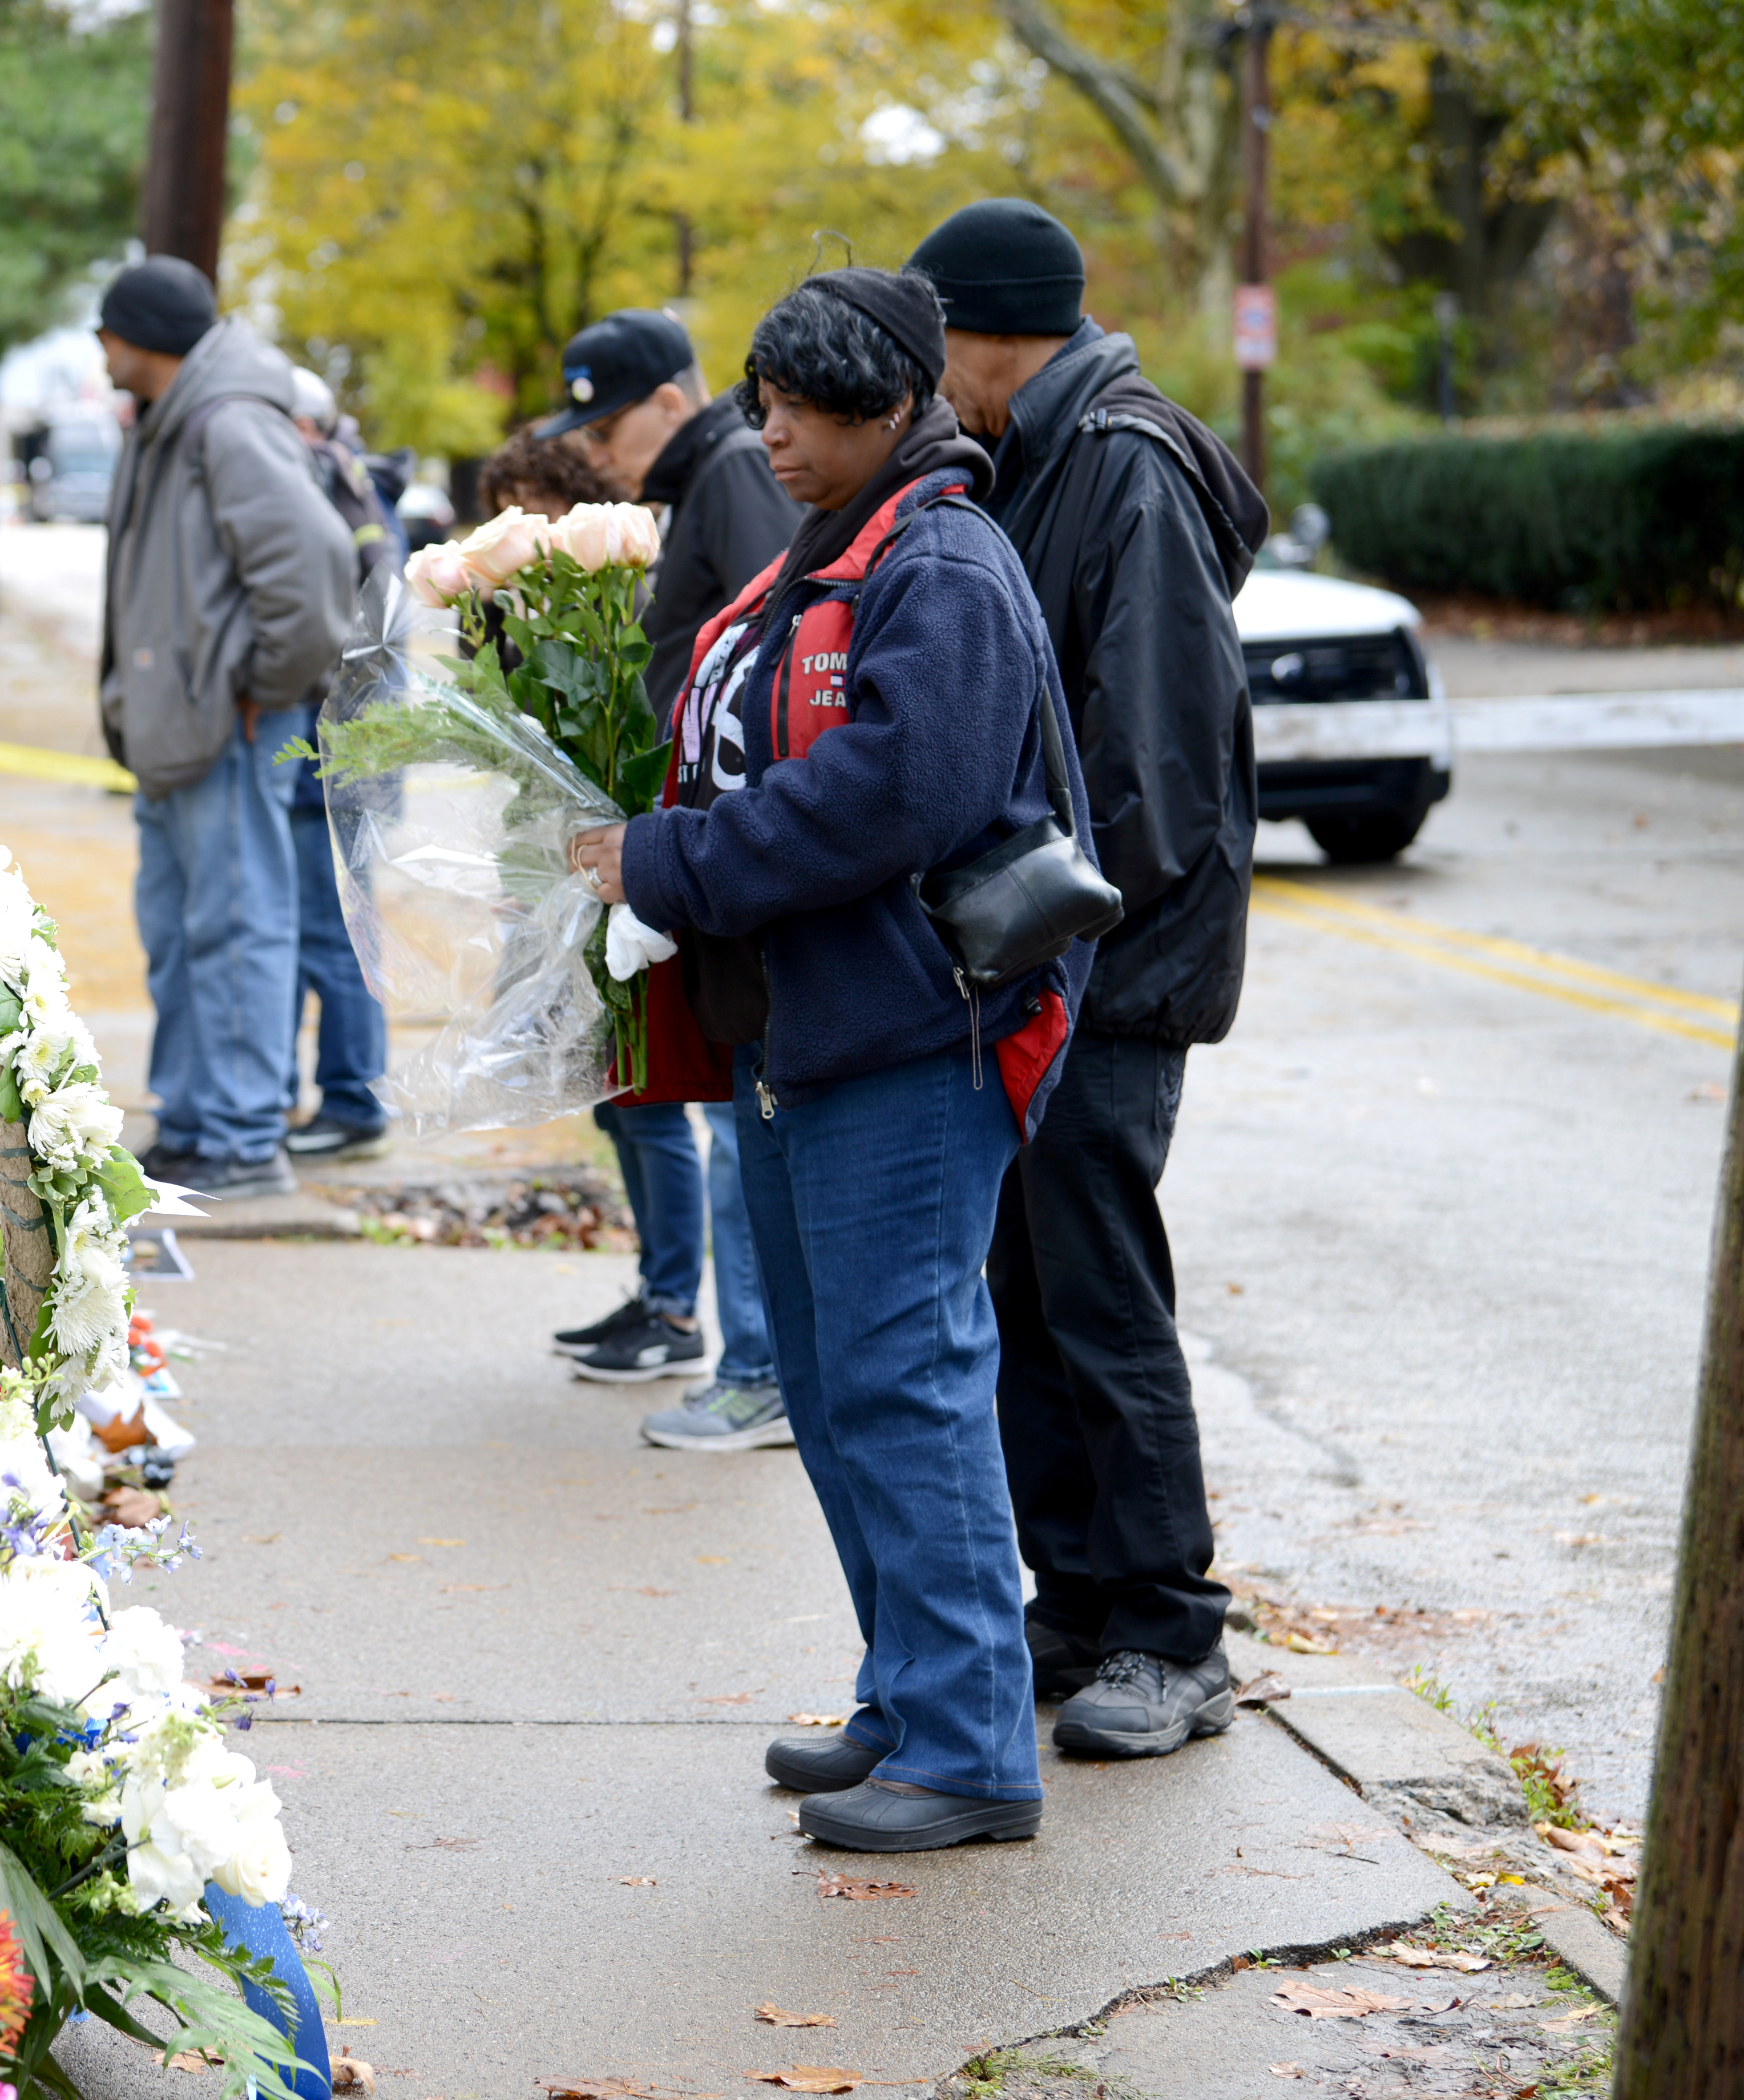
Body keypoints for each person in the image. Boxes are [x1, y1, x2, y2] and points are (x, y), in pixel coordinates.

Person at [567, 267, 1089, 1852]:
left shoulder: (945, 560)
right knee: (836, 1382)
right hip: (803, 1032)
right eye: (760, 404)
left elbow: (895, 795)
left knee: (905, 1380)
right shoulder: (832, 549)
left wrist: (676, 864)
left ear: (882, 407)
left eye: (796, 411)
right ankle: (913, 1691)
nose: (768, 436)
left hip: (909, 1036)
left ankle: (973, 1745)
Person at [906, 199, 1267, 1760]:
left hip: (1110, 966)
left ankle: (1172, 1635)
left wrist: (1065, 939)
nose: (935, 390)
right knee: (1027, 1287)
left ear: (995, 333)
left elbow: (1161, 763)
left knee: (1101, 1291)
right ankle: (1078, 1603)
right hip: (1054, 956)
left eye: (940, 353)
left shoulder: (1122, 461)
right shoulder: (1045, 450)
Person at [539, 309, 802, 1444]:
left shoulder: (735, 469)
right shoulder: (704, 480)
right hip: (709, 846)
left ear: (668, 402)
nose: (595, 452)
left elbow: (766, 650)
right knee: (739, 1112)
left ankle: (760, 1368)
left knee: (749, 1124)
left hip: (735, 850)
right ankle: (756, 1359)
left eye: (608, 425)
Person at [98, 257, 361, 1200]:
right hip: (183, 728)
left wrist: (260, 689)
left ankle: (247, 1141)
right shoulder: (174, 421)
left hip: (230, 725)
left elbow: (314, 566)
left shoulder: (228, 420)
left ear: (138, 340)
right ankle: (196, 1123)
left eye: (107, 332)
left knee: (240, 924)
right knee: (180, 929)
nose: (99, 349)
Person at [461, 430, 712, 1388]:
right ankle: (653, 1286)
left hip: (623, 861)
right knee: (606, 1096)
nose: (521, 529)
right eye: (502, 511)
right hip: (556, 860)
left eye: (533, 504)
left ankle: (676, 1306)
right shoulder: (525, 610)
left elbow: (629, 723)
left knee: (645, 1101)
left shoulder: (623, 596)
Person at [279, 366, 402, 1162]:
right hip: (358, 743)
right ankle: (341, 1094)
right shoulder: (358, 486)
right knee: (334, 926)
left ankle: (356, 1100)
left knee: (331, 931)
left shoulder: (328, 488)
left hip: (334, 748)